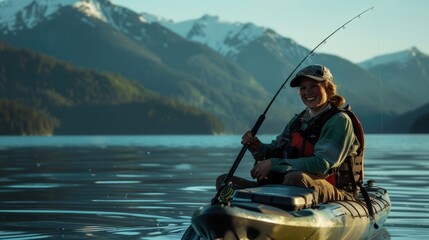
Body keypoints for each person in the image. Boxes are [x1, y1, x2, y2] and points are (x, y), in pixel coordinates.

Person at [216, 64, 362, 203]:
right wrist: (256, 146)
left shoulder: (339, 121)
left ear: (328, 89)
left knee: (296, 178)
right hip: (285, 189)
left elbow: (322, 164)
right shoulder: (297, 121)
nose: (307, 92)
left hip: (334, 192)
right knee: (224, 181)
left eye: (314, 86)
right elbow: (274, 150)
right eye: (303, 88)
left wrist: (274, 164)